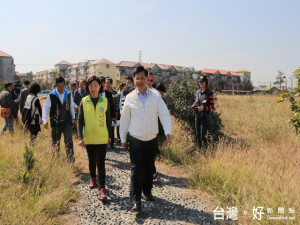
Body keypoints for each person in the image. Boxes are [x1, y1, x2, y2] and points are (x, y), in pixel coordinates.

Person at [120, 66, 172, 212]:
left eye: (143, 78)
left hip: (151, 139)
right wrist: (123, 137)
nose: (140, 81)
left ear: (146, 78)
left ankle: (147, 191)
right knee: (136, 169)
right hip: (135, 138)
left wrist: (168, 130)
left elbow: (163, 113)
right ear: (134, 80)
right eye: (137, 78)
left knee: (149, 168)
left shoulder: (155, 95)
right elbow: (124, 119)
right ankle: (135, 201)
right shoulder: (129, 98)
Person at [77, 75, 112, 202]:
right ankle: (92, 177)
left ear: (100, 87)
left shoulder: (105, 101)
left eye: (96, 86)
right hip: (89, 136)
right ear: (88, 87)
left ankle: (102, 189)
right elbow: (80, 121)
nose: (93, 88)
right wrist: (80, 137)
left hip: (102, 137)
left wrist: (110, 136)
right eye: (91, 86)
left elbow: (109, 120)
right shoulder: (84, 101)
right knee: (91, 160)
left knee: (101, 163)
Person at [42, 76, 76, 163]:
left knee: (69, 142)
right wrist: (45, 120)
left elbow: (71, 107)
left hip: (67, 122)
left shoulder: (68, 94)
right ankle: (55, 162)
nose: (61, 88)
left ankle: (71, 162)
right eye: (59, 86)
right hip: (55, 123)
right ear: (56, 85)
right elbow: (46, 108)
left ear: (64, 85)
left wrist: (73, 118)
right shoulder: (52, 95)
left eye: (62, 86)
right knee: (55, 143)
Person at [192, 75, 215, 149]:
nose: (201, 83)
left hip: (204, 116)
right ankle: (199, 150)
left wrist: (204, 108)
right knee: (197, 135)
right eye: (200, 82)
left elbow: (212, 106)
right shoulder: (197, 92)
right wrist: (193, 106)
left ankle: (204, 151)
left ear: (206, 83)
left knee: (203, 136)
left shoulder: (209, 93)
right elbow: (196, 102)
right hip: (197, 116)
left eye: (203, 82)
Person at [99, 76, 116, 149]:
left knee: (110, 128)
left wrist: (114, 116)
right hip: (99, 115)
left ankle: (111, 143)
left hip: (108, 114)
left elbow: (113, 105)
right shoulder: (96, 93)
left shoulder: (109, 93)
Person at [105, 78, 118, 148]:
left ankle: (112, 143)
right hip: (105, 112)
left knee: (112, 128)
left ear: (111, 84)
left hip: (112, 112)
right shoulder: (104, 92)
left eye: (108, 83)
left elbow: (116, 103)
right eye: (106, 83)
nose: (107, 84)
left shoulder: (114, 92)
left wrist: (115, 113)